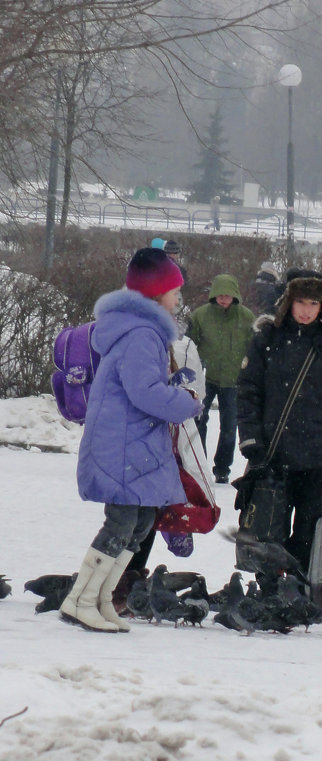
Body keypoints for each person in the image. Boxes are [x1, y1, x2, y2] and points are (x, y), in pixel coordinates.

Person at [59, 248, 202, 632]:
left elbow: (139, 385)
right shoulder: (141, 334)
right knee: (122, 523)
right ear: (157, 294)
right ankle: (80, 600)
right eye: (175, 291)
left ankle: (101, 599)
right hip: (123, 445)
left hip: (132, 442)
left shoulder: (141, 331)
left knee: (139, 523)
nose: (178, 300)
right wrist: (185, 402)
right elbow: (144, 392)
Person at [236, 276, 322, 569]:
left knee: (307, 530)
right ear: (288, 302)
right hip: (272, 452)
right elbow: (248, 392)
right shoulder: (266, 339)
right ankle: (268, 589)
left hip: (316, 455)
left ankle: (299, 590)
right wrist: (251, 440)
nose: (306, 310)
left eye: (313, 303)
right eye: (301, 302)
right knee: (267, 527)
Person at [186, 274, 255, 484]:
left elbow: (253, 346)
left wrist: (249, 370)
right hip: (205, 378)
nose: (223, 299)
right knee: (199, 420)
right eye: (220, 295)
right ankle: (200, 463)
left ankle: (223, 468)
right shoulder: (200, 316)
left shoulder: (246, 317)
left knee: (229, 425)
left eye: (228, 295)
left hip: (234, 379)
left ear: (234, 296)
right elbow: (191, 344)